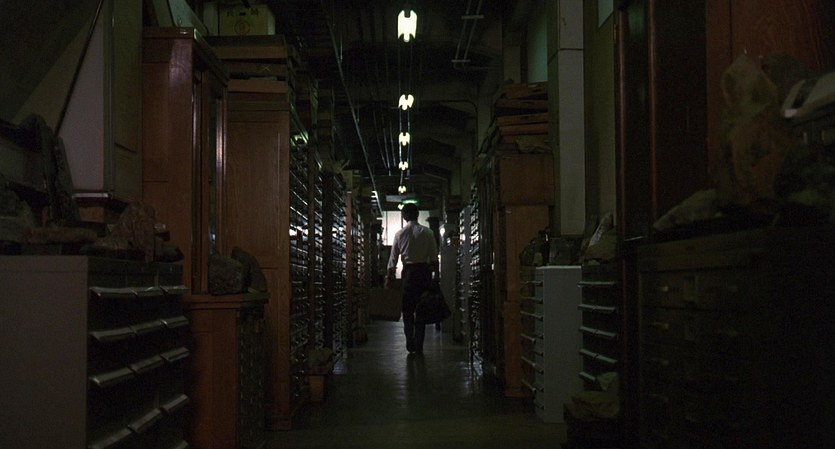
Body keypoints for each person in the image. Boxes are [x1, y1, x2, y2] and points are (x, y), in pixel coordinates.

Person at [384, 203, 438, 354]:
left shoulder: (399, 234)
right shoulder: (428, 232)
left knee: (407, 310)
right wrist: (436, 277)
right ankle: (419, 344)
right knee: (422, 309)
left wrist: (389, 278)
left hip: (408, 273)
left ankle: (409, 340)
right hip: (424, 273)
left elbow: (393, 260)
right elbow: (434, 258)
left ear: (404, 216)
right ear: (418, 214)